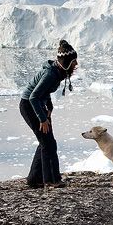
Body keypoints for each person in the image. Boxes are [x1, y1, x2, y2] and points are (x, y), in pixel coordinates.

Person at [19, 40, 78, 188]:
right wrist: (42, 118)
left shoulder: (57, 72)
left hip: (37, 105)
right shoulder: (50, 74)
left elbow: (45, 92)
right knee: (48, 143)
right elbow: (33, 96)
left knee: (46, 142)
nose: (76, 65)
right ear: (66, 62)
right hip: (29, 106)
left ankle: (34, 179)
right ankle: (51, 180)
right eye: (73, 62)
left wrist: (49, 106)